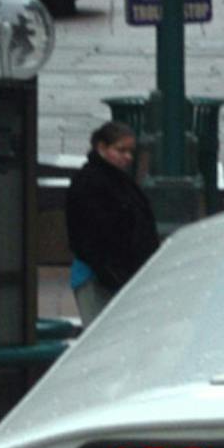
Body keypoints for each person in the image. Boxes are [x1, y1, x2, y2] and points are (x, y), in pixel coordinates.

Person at [65, 121, 160, 323]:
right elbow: (87, 239)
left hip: (114, 275)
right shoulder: (92, 183)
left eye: (130, 151)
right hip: (100, 277)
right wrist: (112, 273)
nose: (128, 157)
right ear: (102, 147)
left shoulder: (117, 181)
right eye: (121, 150)